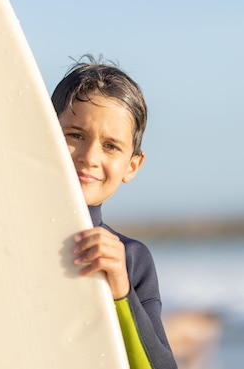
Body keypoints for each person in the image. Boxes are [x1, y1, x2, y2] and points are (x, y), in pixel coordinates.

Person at [51, 56, 177, 369]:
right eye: (75, 135)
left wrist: (121, 290)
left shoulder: (131, 260)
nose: (90, 157)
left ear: (132, 166)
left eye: (110, 146)